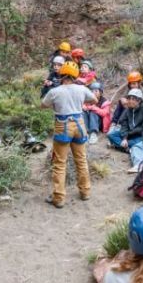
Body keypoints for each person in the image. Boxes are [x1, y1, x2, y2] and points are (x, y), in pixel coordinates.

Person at [40, 61, 96, 208]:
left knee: (59, 163)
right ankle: (85, 192)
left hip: (62, 125)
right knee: (81, 160)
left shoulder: (54, 91)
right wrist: (81, 103)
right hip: (79, 124)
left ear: (62, 74)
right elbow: (94, 99)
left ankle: (59, 198)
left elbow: (43, 105)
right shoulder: (81, 89)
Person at [107, 89, 143, 172]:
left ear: (139, 100)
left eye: (133, 99)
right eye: (129, 98)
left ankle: (127, 148)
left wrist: (127, 135)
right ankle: (129, 148)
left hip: (141, 136)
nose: (130, 101)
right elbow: (123, 124)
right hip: (129, 135)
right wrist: (124, 137)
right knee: (111, 134)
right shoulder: (128, 110)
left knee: (137, 143)